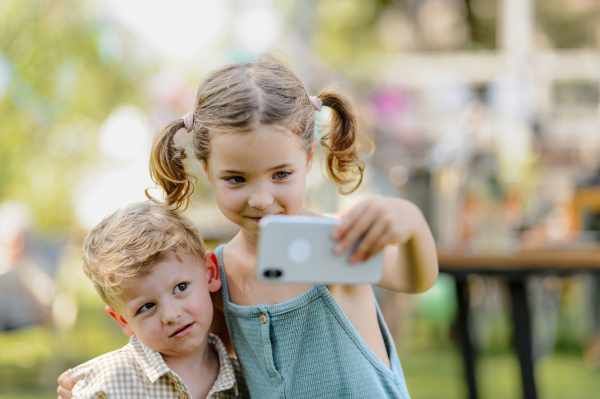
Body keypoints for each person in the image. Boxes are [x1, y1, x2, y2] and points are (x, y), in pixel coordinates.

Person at [59, 58, 438, 398]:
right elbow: (185, 348)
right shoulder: (216, 276)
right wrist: (99, 380)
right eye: (237, 179)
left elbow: (414, 278)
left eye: (281, 174)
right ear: (208, 172)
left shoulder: (336, 241)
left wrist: (412, 224)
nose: (260, 198)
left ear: (307, 160)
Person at [57, 201, 248, 398]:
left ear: (210, 273)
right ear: (123, 319)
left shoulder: (244, 379)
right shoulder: (108, 383)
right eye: (147, 306)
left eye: (180, 287)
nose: (171, 315)